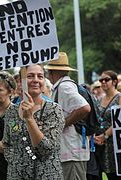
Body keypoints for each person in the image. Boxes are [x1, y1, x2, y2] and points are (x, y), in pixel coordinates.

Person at [2, 64, 65, 179]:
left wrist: (30, 119)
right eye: (30, 76)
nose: (36, 80)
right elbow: (7, 143)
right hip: (17, 175)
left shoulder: (53, 109)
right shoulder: (11, 110)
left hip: (45, 175)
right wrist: (16, 162)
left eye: (40, 76)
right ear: (21, 82)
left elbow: (46, 149)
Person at [44, 52, 91, 180]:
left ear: (53, 72)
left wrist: (63, 123)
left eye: (49, 71)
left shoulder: (64, 87)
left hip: (72, 152)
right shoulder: (62, 86)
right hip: (70, 151)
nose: (48, 75)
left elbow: (85, 108)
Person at [94, 70, 121, 180]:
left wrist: (105, 135)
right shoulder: (99, 99)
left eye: (106, 79)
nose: (103, 82)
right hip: (101, 145)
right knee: (107, 174)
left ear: (114, 81)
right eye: (101, 80)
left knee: (118, 174)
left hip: (116, 144)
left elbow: (120, 121)